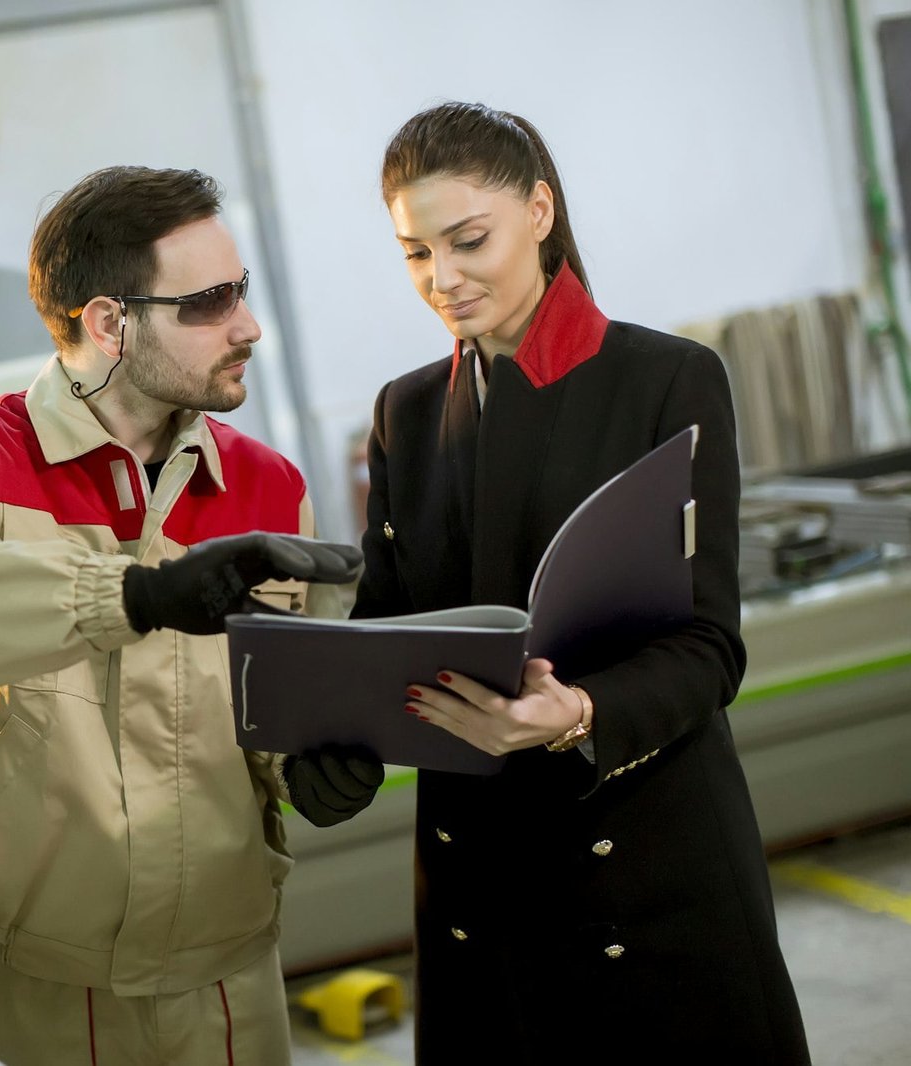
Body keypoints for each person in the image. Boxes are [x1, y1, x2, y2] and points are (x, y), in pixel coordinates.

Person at [282, 103, 811, 1064]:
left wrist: (576, 716)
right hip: (479, 891)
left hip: (644, 873)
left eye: (467, 240)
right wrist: (325, 741)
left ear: (539, 210)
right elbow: (387, 632)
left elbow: (706, 648)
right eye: (413, 254)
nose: (442, 279)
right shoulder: (404, 414)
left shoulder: (666, 380)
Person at [0, 165, 361, 1066]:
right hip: (44, 991)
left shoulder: (268, 487)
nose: (248, 326)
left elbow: (279, 705)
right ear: (108, 323)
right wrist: (129, 593)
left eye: (240, 292)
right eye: (209, 302)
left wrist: (306, 767)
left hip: (229, 976)